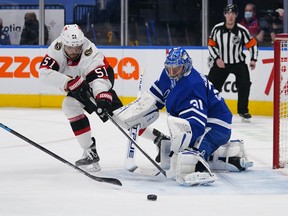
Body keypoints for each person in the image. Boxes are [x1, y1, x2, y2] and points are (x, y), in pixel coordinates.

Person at [113, 47, 253, 186]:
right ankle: (222, 158)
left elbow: (197, 124)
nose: (172, 72)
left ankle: (201, 166)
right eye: (169, 68)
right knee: (182, 148)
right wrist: (137, 110)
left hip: (217, 125)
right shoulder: (168, 73)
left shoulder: (193, 85)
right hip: (202, 121)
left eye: (176, 69)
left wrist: (182, 147)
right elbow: (155, 98)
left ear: (186, 67)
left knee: (191, 154)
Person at [38, 24, 123, 172]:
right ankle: (90, 151)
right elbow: (44, 73)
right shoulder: (56, 48)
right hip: (76, 81)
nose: (74, 51)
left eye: (77, 47)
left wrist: (101, 96)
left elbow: (98, 78)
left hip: (100, 78)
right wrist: (68, 82)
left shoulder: (90, 52)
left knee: (116, 114)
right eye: (70, 48)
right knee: (70, 105)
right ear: (63, 43)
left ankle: (158, 139)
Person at [208, 4, 258, 121]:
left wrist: (253, 59)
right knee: (211, 87)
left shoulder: (242, 30)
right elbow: (211, 45)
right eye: (228, 13)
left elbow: (252, 45)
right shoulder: (217, 29)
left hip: (238, 63)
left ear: (236, 15)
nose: (230, 16)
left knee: (245, 84)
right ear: (224, 15)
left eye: (233, 14)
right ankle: (209, 109)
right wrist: (217, 58)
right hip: (221, 62)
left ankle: (243, 111)